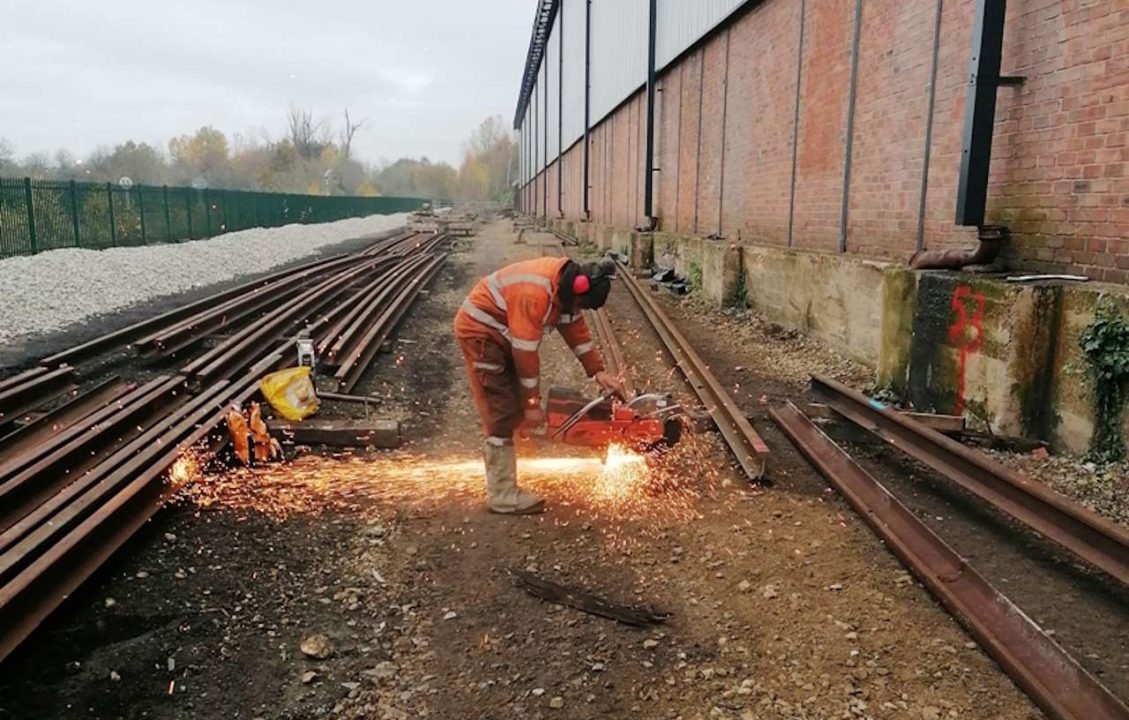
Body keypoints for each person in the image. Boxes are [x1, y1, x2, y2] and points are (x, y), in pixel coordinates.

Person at [454, 256, 625, 514]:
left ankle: (512, 457)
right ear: (577, 288)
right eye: (580, 305)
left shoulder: (565, 287)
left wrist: (597, 370)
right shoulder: (534, 295)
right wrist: (531, 403)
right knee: (500, 407)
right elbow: (526, 354)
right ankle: (502, 494)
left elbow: (577, 332)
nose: (579, 309)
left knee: (515, 403)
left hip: (502, 330)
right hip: (481, 332)